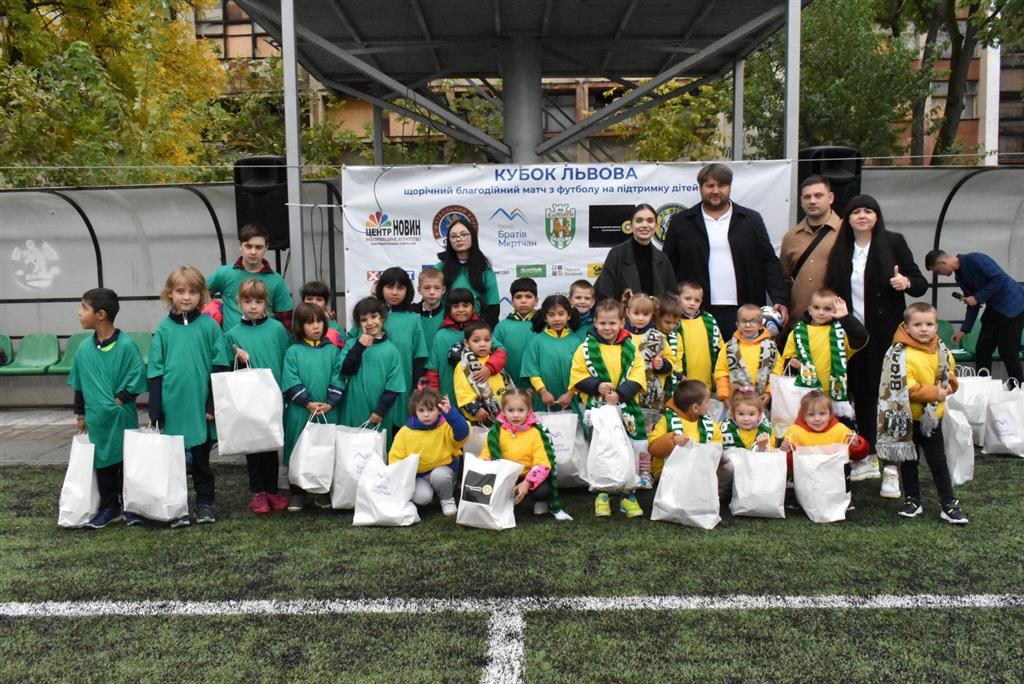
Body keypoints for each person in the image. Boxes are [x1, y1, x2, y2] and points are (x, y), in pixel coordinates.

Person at [825, 194, 928, 498]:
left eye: (868, 211)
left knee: (890, 399)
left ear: (876, 216)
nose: (862, 216)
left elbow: (920, 282)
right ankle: (867, 455)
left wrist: (906, 283)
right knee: (862, 396)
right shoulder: (841, 249)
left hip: (886, 335)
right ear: (848, 219)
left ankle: (892, 467)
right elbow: (831, 288)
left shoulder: (893, 242)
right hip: (853, 336)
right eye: (856, 211)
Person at [663, 163, 790, 339]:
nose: (715, 191)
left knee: (744, 357)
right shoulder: (681, 222)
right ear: (701, 188)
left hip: (743, 312)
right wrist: (668, 303)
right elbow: (667, 266)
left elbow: (768, 261)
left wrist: (780, 298)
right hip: (695, 313)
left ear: (730, 187)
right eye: (710, 185)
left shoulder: (750, 220)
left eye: (721, 185)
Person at [148, 266, 230, 527]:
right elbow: (155, 370)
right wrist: (155, 408)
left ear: (202, 294)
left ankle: (205, 502)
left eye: (193, 292)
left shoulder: (209, 326)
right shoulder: (163, 329)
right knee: (174, 462)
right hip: (172, 405)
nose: (186, 297)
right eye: (180, 291)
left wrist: (212, 403)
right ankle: (177, 506)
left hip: (200, 406)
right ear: (169, 294)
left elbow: (220, 365)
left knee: (201, 460)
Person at [875, 303, 968, 524]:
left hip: (931, 419)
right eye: (918, 324)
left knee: (938, 461)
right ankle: (912, 500)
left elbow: (951, 377)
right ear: (906, 327)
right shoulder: (898, 354)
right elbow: (906, 388)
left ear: (936, 326)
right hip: (905, 420)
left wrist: (949, 388)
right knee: (909, 461)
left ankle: (949, 503)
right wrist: (937, 392)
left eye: (929, 324)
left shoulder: (942, 350)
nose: (924, 329)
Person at [772, 288, 873, 480]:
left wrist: (846, 318)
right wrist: (793, 364)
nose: (821, 312)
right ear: (809, 309)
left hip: (834, 399)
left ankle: (842, 478)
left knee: (838, 441)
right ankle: (798, 478)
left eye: (827, 309)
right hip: (805, 400)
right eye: (817, 308)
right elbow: (785, 361)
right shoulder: (797, 333)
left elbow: (862, 339)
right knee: (803, 440)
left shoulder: (841, 332)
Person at [70, 288, 147, 529]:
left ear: (100, 314)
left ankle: (131, 507)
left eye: (84, 308)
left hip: (121, 416)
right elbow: (79, 383)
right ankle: (108, 507)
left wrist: (123, 398)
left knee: (127, 460)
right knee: (102, 462)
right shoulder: (84, 349)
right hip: (97, 418)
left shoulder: (126, 345)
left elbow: (137, 373)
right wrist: (80, 413)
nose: (79, 313)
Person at [569, 298, 647, 518]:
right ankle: (602, 494)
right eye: (602, 323)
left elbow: (638, 374)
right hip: (599, 408)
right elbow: (577, 374)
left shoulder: (630, 347)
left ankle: (628, 495)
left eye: (612, 323)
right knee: (601, 450)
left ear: (622, 322)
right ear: (595, 322)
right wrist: (596, 386)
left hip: (624, 406)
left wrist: (620, 394)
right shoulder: (585, 348)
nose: (607, 328)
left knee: (627, 450)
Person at [225, 279, 292, 514]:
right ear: (239, 303)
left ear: (266, 303)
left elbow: (286, 358)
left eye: (258, 301)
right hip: (248, 398)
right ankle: (258, 492)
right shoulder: (232, 334)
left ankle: (272, 489)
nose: (253, 306)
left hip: (273, 395)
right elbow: (228, 369)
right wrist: (239, 359)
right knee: (253, 444)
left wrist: (285, 390)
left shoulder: (277, 329)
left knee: (271, 443)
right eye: (248, 301)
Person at [281, 303, 344, 511]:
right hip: (300, 411)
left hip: (327, 410)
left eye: (319, 322)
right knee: (298, 447)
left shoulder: (333, 351)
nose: (316, 326)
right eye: (309, 323)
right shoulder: (293, 351)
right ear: (300, 326)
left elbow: (338, 376)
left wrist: (330, 402)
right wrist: (306, 402)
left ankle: (322, 491)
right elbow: (290, 379)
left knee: (324, 448)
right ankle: (297, 493)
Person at [926, 250, 1024, 384]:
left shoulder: (975, 259)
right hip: (994, 308)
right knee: (982, 350)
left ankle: (1018, 388)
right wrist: (963, 330)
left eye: (938, 271)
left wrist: (977, 297)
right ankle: (982, 386)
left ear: (943, 263)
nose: (940, 274)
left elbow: (1000, 279)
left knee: (1008, 352)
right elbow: (972, 304)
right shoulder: (959, 277)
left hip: (1014, 304)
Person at [480, 388, 572, 520]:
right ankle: (504, 501)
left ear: (529, 411)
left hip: (528, 476)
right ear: (503, 412)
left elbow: (543, 464)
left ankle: (540, 502)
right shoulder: (495, 433)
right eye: (511, 410)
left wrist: (527, 483)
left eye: (520, 410)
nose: (516, 415)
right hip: (505, 476)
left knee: (543, 491)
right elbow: (485, 458)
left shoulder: (536, 433)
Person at [780, 390, 870, 511]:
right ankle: (800, 498)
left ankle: (843, 497)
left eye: (822, 414)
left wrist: (857, 444)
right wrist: (786, 452)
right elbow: (788, 464)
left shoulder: (840, 430)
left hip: (834, 478)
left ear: (830, 414)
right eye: (811, 414)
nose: (817, 419)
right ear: (803, 416)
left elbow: (860, 455)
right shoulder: (795, 432)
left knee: (846, 467)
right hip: (808, 477)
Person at [365, 267, 428, 435]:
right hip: (373, 383)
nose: (394, 292)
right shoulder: (372, 317)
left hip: (402, 387)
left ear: (408, 290)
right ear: (380, 288)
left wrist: (417, 389)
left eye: (400, 287)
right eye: (389, 287)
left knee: (399, 432)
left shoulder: (413, 319)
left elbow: (419, 357)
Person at [389, 388, 469, 517]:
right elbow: (396, 457)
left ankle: (447, 499)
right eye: (421, 410)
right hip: (419, 476)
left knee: (439, 476)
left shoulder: (445, 425)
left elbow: (462, 433)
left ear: (439, 410)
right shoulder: (405, 431)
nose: (426, 414)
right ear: (415, 411)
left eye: (431, 410)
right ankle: (432, 494)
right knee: (422, 498)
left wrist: (451, 414)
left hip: (444, 471)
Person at [647, 380, 732, 499]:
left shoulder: (711, 426)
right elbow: (653, 448)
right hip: (668, 475)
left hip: (699, 476)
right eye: (707, 402)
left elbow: (716, 451)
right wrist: (672, 441)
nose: (709, 405)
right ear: (696, 407)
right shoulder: (667, 421)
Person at [338, 297, 406, 444]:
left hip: (379, 414)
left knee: (377, 450)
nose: (370, 323)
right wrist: (359, 346)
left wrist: (380, 410)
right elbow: (346, 370)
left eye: (374, 317)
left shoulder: (392, 350)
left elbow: (394, 386)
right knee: (351, 449)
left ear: (382, 318)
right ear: (358, 324)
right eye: (364, 320)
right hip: (354, 408)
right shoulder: (351, 345)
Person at [624, 292, 672, 489]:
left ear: (652, 315)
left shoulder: (658, 337)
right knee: (626, 435)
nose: (640, 318)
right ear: (627, 312)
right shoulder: (620, 335)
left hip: (649, 398)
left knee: (645, 436)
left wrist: (663, 364)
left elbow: (672, 363)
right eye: (636, 313)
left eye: (645, 314)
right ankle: (628, 470)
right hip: (625, 396)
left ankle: (645, 471)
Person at [424, 288, 507, 403]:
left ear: (473, 307)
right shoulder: (441, 336)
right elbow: (433, 370)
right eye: (456, 306)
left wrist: (489, 368)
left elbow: (501, 351)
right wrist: (434, 397)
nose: (461, 310)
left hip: (479, 400)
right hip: (448, 399)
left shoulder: (481, 330)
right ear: (449, 309)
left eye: (465, 305)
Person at [779, 176, 843, 323]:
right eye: (807, 197)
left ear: (831, 198)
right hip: (798, 323)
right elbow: (784, 280)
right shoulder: (791, 237)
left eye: (818, 195)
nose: (812, 201)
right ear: (801, 200)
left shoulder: (846, 232)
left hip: (835, 324)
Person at [207, 224, 293, 331]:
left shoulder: (277, 281)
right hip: (230, 340)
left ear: (266, 247)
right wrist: (211, 311)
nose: (253, 252)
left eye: (258, 247)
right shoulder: (224, 273)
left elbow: (286, 323)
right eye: (248, 246)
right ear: (240, 245)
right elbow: (197, 292)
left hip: (264, 339)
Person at [593, 203, 677, 302]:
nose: (645, 225)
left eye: (650, 221)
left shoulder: (663, 260)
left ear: (655, 226)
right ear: (631, 226)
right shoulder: (616, 255)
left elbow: (671, 299)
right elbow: (605, 297)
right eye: (639, 220)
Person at [522, 294, 580, 412]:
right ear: (545, 318)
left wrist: (570, 394)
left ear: (569, 315)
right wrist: (543, 392)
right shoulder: (536, 341)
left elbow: (582, 372)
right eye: (551, 315)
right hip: (542, 400)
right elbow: (531, 371)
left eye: (561, 314)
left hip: (571, 401)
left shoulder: (576, 342)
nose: (556, 319)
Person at [436, 218, 500, 326]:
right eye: (453, 236)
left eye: (463, 234)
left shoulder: (485, 269)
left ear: (473, 237)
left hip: (476, 330)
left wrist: (483, 332)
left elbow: (493, 307)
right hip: (447, 328)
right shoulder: (439, 268)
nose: (458, 239)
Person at [714, 303, 777, 407]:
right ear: (737, 324)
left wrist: (769, 392)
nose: (748, 325)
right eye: (743, 321)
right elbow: (721, 372)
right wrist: (724, 396)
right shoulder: (728, 347)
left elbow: (776, 372)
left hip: (760, 402)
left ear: (760, 324)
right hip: (735, 402)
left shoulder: (771, 348)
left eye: (753, 321)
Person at [454, 321, 515, 425]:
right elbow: (462, 392)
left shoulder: (494, 361)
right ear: (467, 343)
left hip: (504, 415)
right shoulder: (463, 366)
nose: (482, 344)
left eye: (487, 340)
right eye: (476, 340)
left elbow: (504, 383)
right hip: (481, 417)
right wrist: (476, 409)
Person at [492, 277, 538, 386]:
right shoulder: (501, 327)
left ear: (536, 301)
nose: (523, 301)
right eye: (518, 297)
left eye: (528, 296)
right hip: (509, 386)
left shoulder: (544, 325)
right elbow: (494, 356)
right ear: (512, 302)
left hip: (539, 387)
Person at [676, 281, 721, 389]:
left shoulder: (708, 319)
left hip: (706, 379)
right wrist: (678, 374)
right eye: (687, 299)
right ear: (677, 298)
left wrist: (717, 372)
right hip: (683, 379)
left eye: (697, 300)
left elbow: (719, 345)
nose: (692, 303)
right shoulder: (674, 321)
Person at [301, 281, 345, 348]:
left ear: (325, 303)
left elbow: (343, 350)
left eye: (319, 300)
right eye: (309, 299)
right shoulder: (298, 326)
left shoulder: (336, 328)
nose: (314, 303)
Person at [656, 294, 684, 398]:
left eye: (675, 323)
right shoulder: (651, 335)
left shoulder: (677, 336)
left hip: (672, 382)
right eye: (667, 322)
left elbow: (678, 358)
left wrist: (680, 375)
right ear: (657, 317)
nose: (671, 326)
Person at [412, 267, 446, 348]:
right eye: (427, 288)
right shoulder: (412, 313)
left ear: (443, 290)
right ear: (419, 290)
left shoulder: (448, 314)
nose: (432, 292)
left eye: (437, 288)